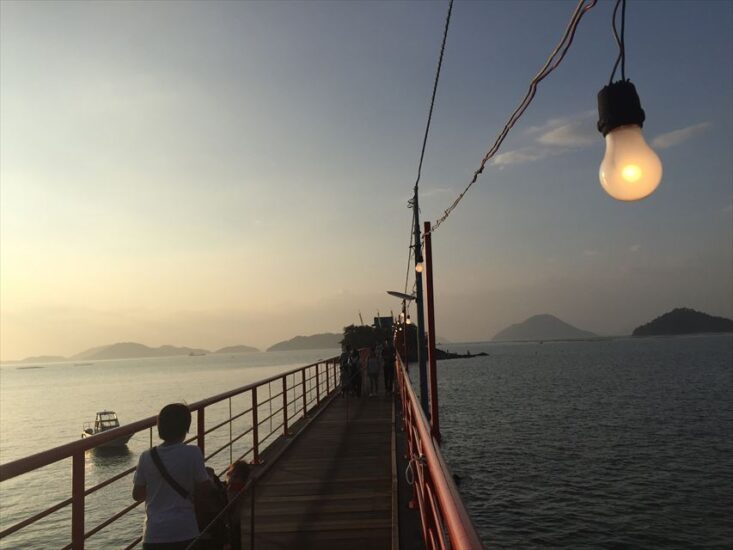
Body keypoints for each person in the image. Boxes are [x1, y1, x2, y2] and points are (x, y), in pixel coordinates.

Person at [132, 403, 212, 550]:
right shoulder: (193, 453)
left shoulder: (146, 457)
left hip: (154, 535)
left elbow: (137, 495)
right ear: (186, 427)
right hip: (185, 530)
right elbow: (205, 488)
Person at [225, 461, 252, 550]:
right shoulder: (242, 485)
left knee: (234, 535)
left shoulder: (234, 487)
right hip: (239, 514)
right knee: (236, 534)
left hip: (234, 515)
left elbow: (231, 503)